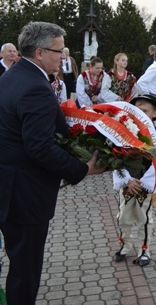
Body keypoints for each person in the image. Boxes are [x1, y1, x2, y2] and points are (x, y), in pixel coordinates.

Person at [0, 21, 103, 305]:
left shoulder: (10, 77)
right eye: (58, 51)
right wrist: (83, 168)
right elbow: (40, 148)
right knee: (25, 270)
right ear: (39, 52)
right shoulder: (35, 87)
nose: (63, 57)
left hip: (8, 186)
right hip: (24, 194)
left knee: (18, 261)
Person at [112, 94, 156, 267]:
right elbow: (115, 159)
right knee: (123, 216)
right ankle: (125, 245)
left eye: (144, 111)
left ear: (154, 113)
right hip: (128, 182)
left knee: (144, 218)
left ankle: (144, 250)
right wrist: (127, 180)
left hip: (145, 184)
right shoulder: (124, 132)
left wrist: (144, 182)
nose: (139, 114)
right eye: (136, 110)